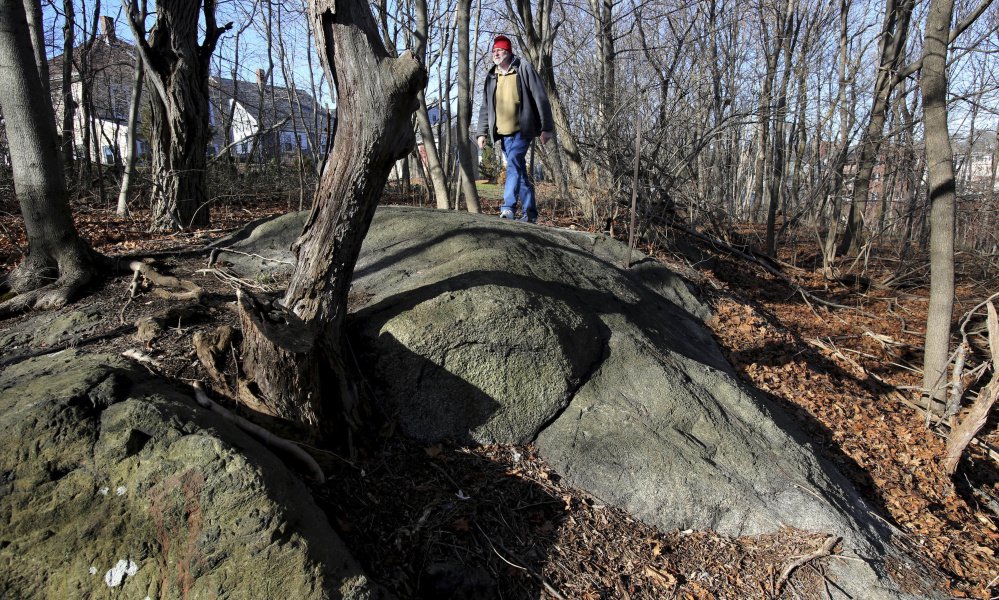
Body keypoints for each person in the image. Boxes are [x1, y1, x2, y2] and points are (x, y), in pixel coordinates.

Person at [476, 35, 553, 223]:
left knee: (512, 164)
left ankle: (508, 207)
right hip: (503, 133)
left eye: (500, 50)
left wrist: (546, 127)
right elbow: (486, 106)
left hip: (522, 130)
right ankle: (530, 214)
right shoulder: (492, 76)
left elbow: (540, 97)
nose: (496, 53)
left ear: (508, 52)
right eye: (494, 51)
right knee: (518, 171)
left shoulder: (523, 68)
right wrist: (481, 132)